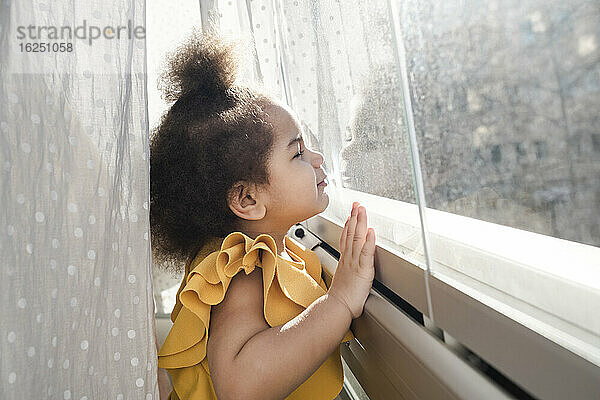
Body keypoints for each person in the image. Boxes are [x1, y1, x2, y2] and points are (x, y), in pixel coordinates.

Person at [149, 28, 376, 400]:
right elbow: (240, 387)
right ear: (248, 199)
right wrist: (339, 303)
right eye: (298, 153)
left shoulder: (283, 252)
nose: (318, 160)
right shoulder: (242, 270)